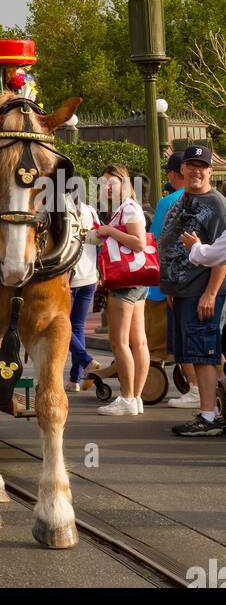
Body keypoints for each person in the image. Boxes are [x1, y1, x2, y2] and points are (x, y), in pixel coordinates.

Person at [157, 144, 226, 437]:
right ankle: (209, 411)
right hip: (181, 291)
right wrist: (171, 286)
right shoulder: (181, 198)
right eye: (191, 165)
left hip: (202, 293)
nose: (196, 170)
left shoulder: (217, 204)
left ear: (210, 171)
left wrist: (210, 293)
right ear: (182, 169)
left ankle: (209, 416)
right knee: (194, 353)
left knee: (205, 354)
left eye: (202, 166)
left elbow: (222, 255)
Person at [94, 164, 150, 417]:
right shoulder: (126, 207)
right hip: (136, 282)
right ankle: (135, 398)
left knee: (120, 342)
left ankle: (127, 397)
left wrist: (108, 231)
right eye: (103, 182)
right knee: (137, 341)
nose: (106, 187)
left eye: (112, 182)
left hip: (125, 283)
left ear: (124, 184)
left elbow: (139, 242)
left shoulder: (128, 208)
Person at [146, 152, 188, 387]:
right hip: (195, 281)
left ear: (173, 174)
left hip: (163, 286)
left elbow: (153, 241)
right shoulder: (207, 199)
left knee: (157, 343)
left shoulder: (167, 202)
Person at [67, 201, 100, 390]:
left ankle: (86, 361)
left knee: (62, 324)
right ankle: (75, 379)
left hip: (69, 277)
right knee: (77, 327)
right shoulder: (90, 211)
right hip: (88, 276)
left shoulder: (62, 210)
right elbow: (98, 243)